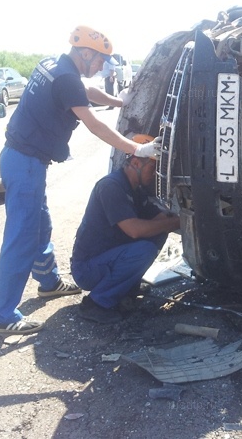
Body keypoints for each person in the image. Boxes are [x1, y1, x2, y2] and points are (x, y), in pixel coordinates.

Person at [0, 26, 161, 336]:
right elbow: (94, 123)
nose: (100, 69)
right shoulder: (67, 77)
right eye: (99, 62)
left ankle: (49, 283)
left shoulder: (54, 65)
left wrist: (119, 101)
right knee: (21, 238)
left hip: (23, 159)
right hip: (25, 162)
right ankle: (3, 316)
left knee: (40, 226)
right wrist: (138, 148)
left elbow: (86, 91)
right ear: (86, 53)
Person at [71, 136, 180, 324]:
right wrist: (175, 223)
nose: (154, 174)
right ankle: (97, 303)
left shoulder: (136, 189)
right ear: (136, 162)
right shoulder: (111, 186)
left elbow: (158, 218)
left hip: (108, 258)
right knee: (144, 248)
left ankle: (126, 287)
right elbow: (134, 230)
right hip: (87, 268)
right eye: (152, 168)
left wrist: (181, 215)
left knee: (157, 234)